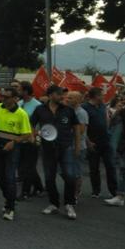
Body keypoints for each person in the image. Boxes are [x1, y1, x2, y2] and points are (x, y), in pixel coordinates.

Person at [31, 85, 81, 220]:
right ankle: (53, 204)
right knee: (49, 177)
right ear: (51, 95)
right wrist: (34, 136)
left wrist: (77, 146)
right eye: (59, 94)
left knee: (70, 176)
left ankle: (69, 204)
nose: (62, 97)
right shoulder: (40, 109)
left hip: (66, 148)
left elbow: (76, 129)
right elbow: (31, 125)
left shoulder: (68, 110)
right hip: (47, 149)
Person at [0, 86, 32, 222]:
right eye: (2, 96)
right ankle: (9, 198)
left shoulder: (21, 114)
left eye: (7, 97)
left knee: (10, 177)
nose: (3, 99)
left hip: (13, 147)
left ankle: (10, 207)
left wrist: (13, 142)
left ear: (15, 99)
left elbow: (27, 135)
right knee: (0, 177)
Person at [82, 87, 118, 198]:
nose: (104, 97)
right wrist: (88, 142)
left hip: (106, 141)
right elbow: (83, 127)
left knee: (110, 166)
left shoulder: (103, 106)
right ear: (96, 96)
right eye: (102, 95)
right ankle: (96, 191)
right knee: (94, 168)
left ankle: (114, 191)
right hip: (93, 142)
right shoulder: (85, 108)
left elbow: (106, 119)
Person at [17, 81, 44, 199]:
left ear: (26, 91)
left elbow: (39, 124)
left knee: (28, 166)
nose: (17, 91)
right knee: (25, 166)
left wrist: (35, 136)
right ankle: (39, 187)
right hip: (20, 138)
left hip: (32, 139)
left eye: (19, 89)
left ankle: (25, 192)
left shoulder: (37, 105)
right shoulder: (19, 103)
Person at [67, 91, 88, 201]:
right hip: (68, 145)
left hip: (78, 146)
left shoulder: (81, 113)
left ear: (78, 100)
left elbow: (81, 130)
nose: (67, 99)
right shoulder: (69, 111)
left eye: (70, 98)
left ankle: (75, 192)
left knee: (76, 171)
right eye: (67, 97)